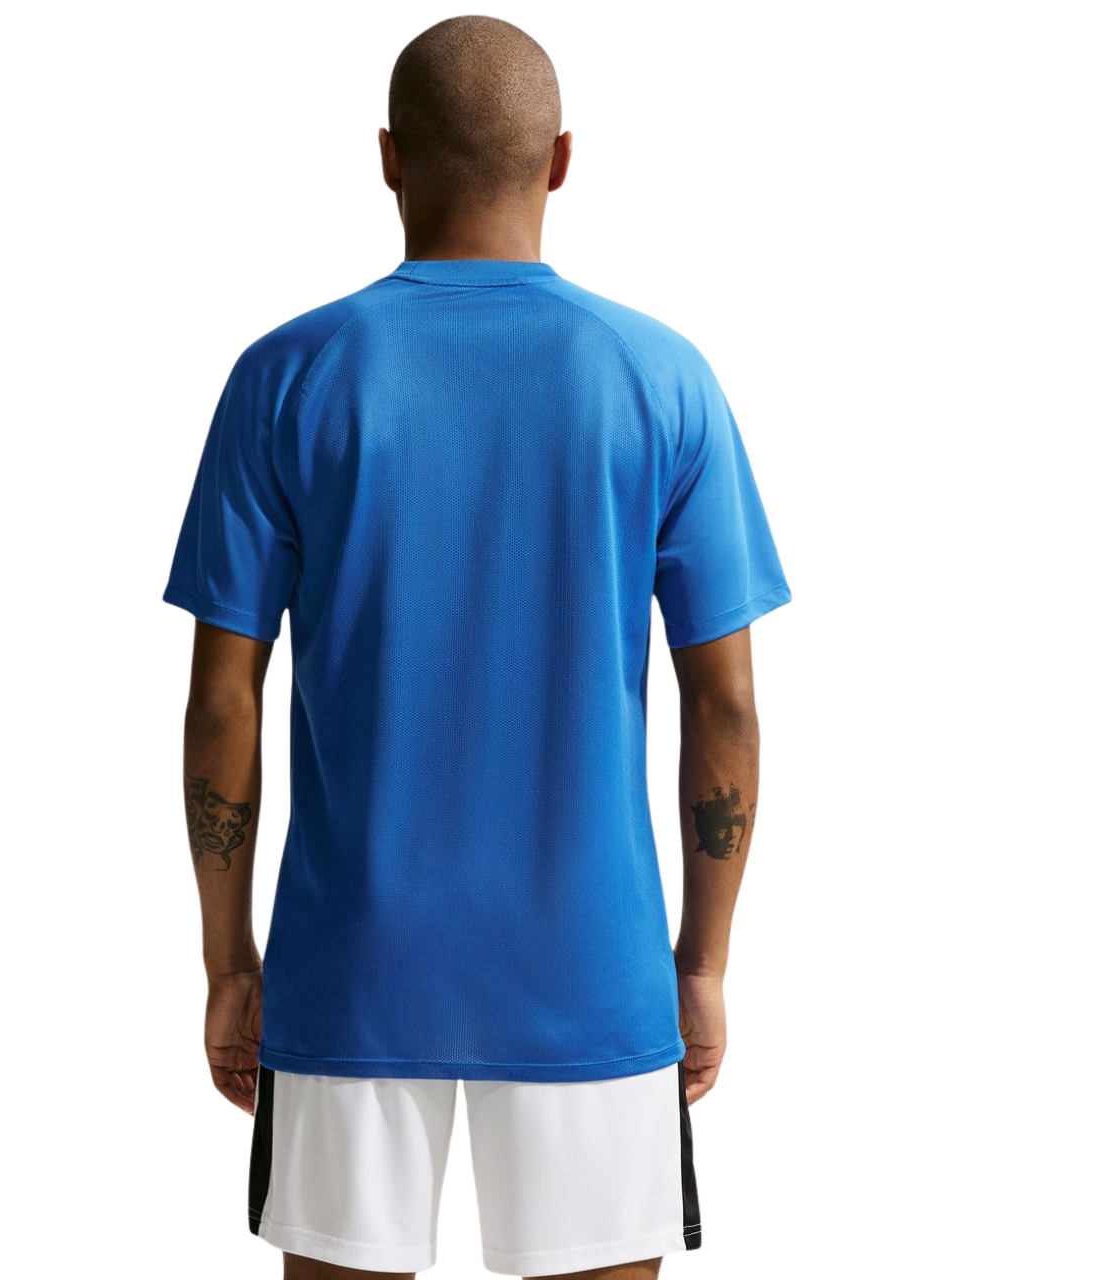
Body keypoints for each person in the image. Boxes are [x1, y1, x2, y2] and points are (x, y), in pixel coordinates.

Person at [163, 15, 790, 1280]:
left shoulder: (285, 375)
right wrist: (702, 963)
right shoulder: (660, 378)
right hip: (593, 965)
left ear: (387, 158)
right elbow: (722, 704)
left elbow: (225, 697)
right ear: (559, 160)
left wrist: (229, 961)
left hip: (349, 962)